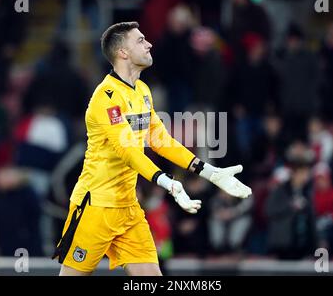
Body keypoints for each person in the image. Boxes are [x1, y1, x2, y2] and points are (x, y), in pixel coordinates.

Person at [52, 22, 251, 276]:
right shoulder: (106, 98)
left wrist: (209, 171)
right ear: (123, 52)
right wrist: (168, 182)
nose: (149, 44)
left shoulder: (142, 91)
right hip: (96, 207)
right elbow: (129, 151)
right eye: (140, 40)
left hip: (129, 208)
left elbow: (161, 140)